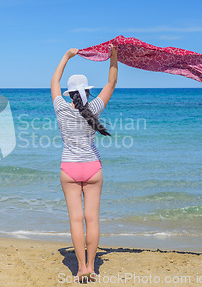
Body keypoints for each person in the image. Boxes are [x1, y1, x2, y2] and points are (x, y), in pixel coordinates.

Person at [51, 44, 118, 281]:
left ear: (69, 94)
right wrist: (114, 55)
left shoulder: (61, 109)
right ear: (88, 92)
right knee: (92, 219)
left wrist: (66, 56)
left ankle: (81, 269)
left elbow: (54, 81)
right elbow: (111, 83)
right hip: (92, 168)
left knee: (76, 220)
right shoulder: (95, 108)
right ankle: (92, 265)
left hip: (69, 168)